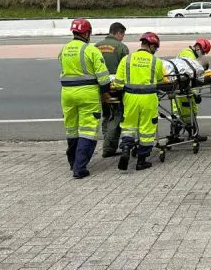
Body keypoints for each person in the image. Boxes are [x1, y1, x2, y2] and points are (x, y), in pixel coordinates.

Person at [58, 18, 112, 179]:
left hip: (67, 94)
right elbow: (103, 78)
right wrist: (106, 94)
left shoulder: (64, 49)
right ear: (87, 33)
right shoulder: (91, 51)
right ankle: (79, 168)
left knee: (72, 128)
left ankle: (72, 161)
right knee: (88, 130)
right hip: (87, 94)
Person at [112, 32, 165, 171]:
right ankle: (141, 161)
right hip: (148, 98)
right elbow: (161, 81)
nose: (156, 51)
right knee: (147, 130)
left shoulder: (127, 59)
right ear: (152, 46)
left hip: (130, 98)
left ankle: (126, 150)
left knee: (128, 126)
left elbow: (117, 83)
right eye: (156, 48)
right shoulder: (156, 61)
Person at [94, 22, 130, 157]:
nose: (122, 38)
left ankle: (107, 143)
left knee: (107, 115)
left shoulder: (96, 46)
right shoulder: (121, 47)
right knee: (115, 116)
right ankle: (108, 148)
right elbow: (126, 69)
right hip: (114, 88)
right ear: (118, 33)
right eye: (122, 35)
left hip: (101, 88)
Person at [171, 38, 211, 143]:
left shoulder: (190, 53)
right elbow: (190, 76)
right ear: (198, 47)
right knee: (185, 113)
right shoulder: (188, 54)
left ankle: (180, 135)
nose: (202, 55)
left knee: (186, 113)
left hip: (184, 89)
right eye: (203, 52)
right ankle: (189, 135)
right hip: (183, 89)